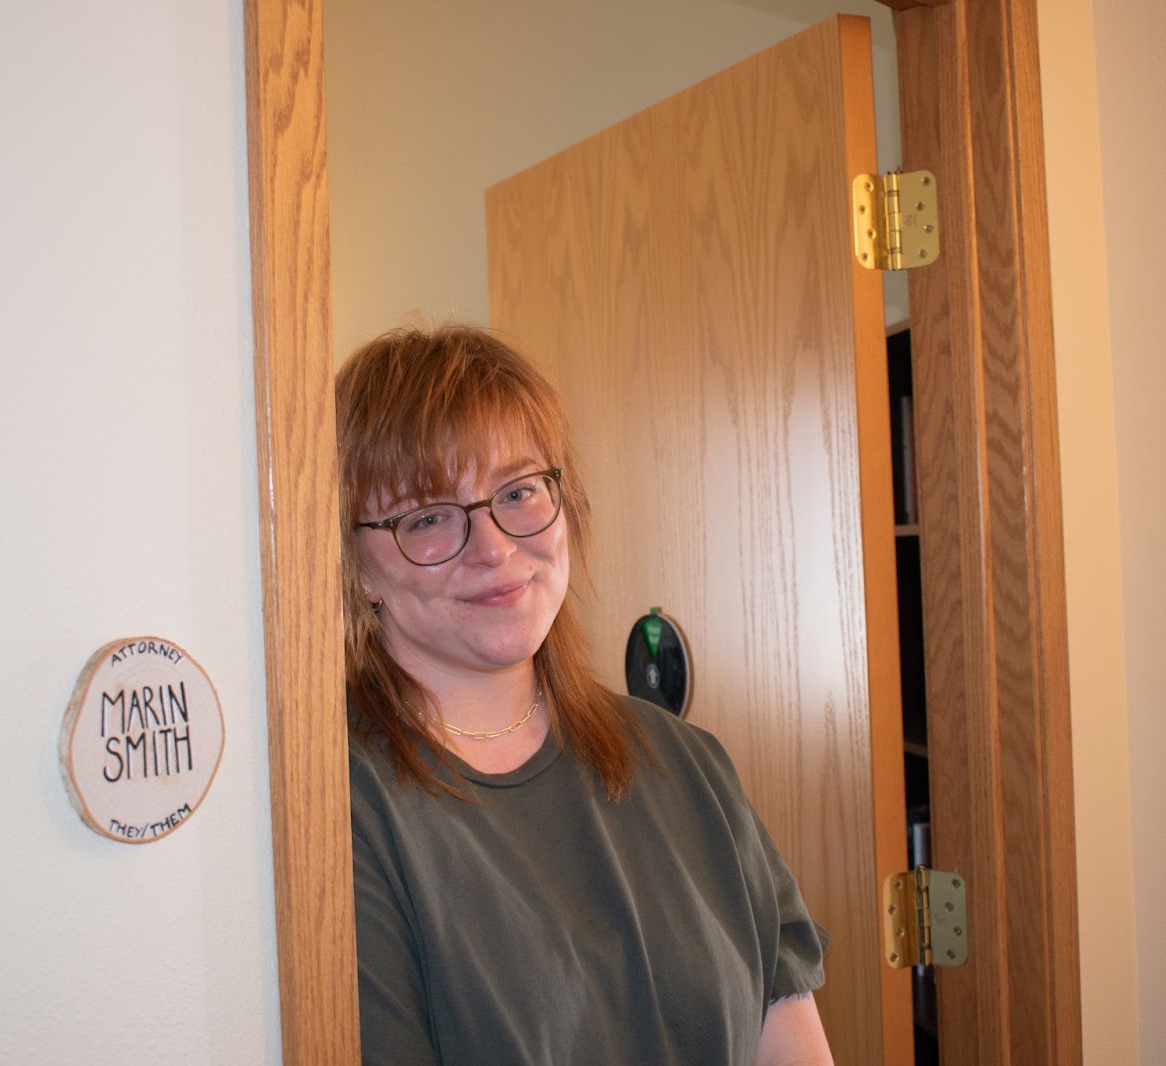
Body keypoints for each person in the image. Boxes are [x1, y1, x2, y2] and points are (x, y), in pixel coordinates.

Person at [338, 324, 834, 1065]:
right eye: (430, 517)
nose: (497, 548)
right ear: (358, 568)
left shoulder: (689, 765)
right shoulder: (339, 807)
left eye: (518, 491)